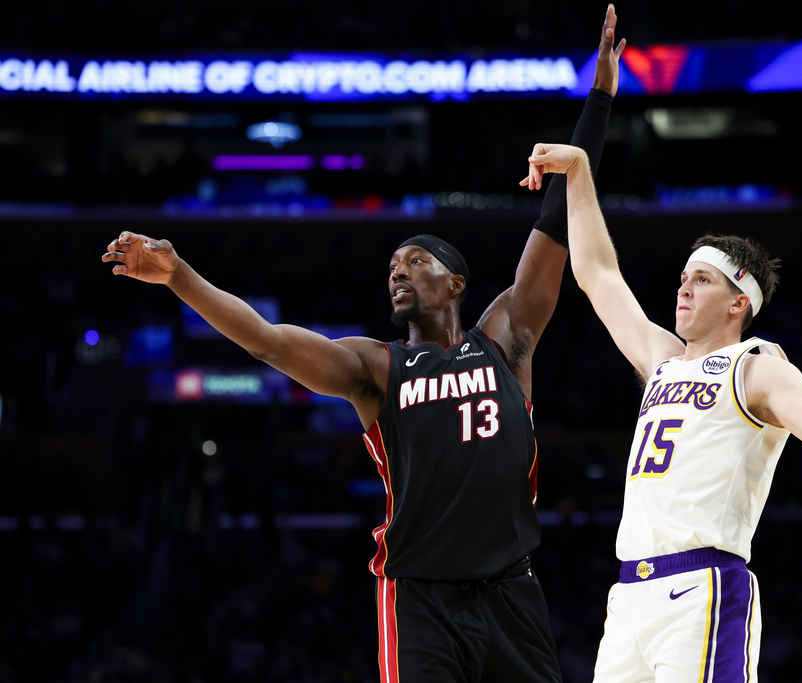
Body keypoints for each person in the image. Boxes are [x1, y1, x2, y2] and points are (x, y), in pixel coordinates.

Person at [101, 8, 625, 682]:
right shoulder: (376, 366)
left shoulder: (508, 336)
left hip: (511, 590)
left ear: (455, 280)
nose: (397, 270)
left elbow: (556, 219)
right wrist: (180, 276)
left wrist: (601, 99)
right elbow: (266, 343)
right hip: (419, 594)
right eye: (391, 267)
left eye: (414, 260)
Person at [521, 144, 802, 681]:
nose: (683, 287)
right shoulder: (662, 360)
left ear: (738, 300)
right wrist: (579, 171)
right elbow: (597, 272)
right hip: (629, 595)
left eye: (701, 279)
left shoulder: (756, 367)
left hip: (701, 585)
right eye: (682, 277)